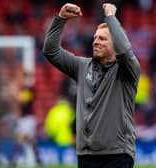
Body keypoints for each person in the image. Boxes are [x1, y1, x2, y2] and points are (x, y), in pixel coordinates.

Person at [43, 3, 140, 168]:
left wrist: (111, 17)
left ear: (115, 44)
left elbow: (124, 52)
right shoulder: (82, 66)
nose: (95, 42)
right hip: (86, 155)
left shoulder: (127, 70)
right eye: (95, 38)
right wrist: (61, 18)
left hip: (117, 154)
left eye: (102, 38)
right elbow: (51, 50)